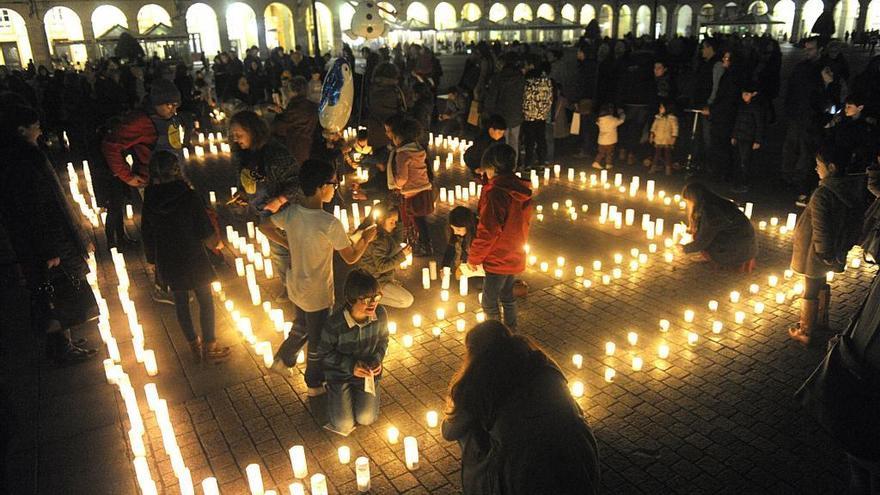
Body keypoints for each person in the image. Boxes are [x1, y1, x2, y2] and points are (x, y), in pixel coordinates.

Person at [442, 321, 600, 494]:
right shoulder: (542, 364)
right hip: (580, 454)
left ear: (475, 352)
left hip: (525, 473)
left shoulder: (478, 382)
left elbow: (450, 431)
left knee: (469, 431)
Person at [268, 159, 378, 395]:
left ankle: (283, 359)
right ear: (320, 186)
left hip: (296, 285)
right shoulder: (329, 223)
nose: (335, 188)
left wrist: (287, 242)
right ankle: (314, 384)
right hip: (317, 292)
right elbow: (350, 258)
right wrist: (367, 240)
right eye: (333, 184)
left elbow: (265, 225)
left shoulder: (292, 213)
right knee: (317, 339)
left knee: (301, 324)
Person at [0, 104, 97, 365]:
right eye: (34, 124)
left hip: (48, 239)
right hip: (48, 241)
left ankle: (65, 341)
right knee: (56, 293)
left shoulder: (23, 156)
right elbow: (34, 209)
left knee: (60, 290)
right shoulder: (23, 161)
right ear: (21, 130)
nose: (39, 127)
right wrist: (49, 250)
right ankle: (60, 348)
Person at [101, 78, 186, 305]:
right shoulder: (140, 121)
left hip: (174, 180)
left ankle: (177, 276)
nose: (173, 108)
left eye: (176, 104)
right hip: (154, 184)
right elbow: (111, 144)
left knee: (176, 231)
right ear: (156, 103)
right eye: (168, 104)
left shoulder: (167, 116)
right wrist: (127, 176)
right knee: (163, 233)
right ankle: (163, 285)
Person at [141, 151, 230, 363]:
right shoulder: (188, 195)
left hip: (167, 257)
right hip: (193, 255)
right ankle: (210, 346)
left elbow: (147, 232)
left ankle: (194, 346)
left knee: (181, 302)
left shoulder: (150, 199)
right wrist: (215, 243)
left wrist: (152, 259)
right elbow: (203, 226)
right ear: (177, 170)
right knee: (205, 299)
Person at [789, 144, 866, 345]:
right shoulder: (849, 189)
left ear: (831, 167)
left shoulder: (823, 193)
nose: (816, 169)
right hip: (832, 248)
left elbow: (821, 226)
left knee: (810, 288)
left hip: (814, 251)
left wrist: (823, 252)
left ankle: (806, 330)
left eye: (818, 165)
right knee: (820, 282)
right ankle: (820, 323)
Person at [229, 110, 300, 301]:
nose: (235, 139)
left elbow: (297, 181)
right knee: (279, 253)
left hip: (286, 212)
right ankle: (289, 288)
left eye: (239, 135)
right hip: (264, 213)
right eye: (233, 135)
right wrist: (243, 193)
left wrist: (279, 200)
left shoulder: (275, 153)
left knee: (294, 251)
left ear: (253, 131)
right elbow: (247, 180)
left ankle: (300, 290)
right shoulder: (243, 155)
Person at [317, 269, 389, 436]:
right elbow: (324, 353)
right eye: (365, 299)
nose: (373, 304)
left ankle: (357, 395)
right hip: (340, 374)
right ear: (350, 299)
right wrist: (350, 367)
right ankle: (336, 393)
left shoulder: (380, 314)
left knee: (366, 418)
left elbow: (383, 340)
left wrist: (377, 359)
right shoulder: (335, 324)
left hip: (367, 374)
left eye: (376, 297)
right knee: (343, 425)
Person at [467, 144, 532, 330]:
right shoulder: (519, 189)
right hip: (514, 253)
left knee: (488, 302)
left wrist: (474, 257)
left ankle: (496, 337)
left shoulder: (496, 194)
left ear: (491, 168)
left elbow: (489, 230)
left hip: (498, 258)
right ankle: (512, 331)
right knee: (507, 297)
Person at [679, 182, 758, 270]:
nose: (688, 204)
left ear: (694, 199)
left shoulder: (711, 211)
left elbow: (704, 239)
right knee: (698, 235)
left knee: (700, 238)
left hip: (737, 250)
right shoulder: (717, 203)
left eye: (688, 201)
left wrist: (685, 248)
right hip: (748, 246)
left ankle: (713, 257)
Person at [387, 115, 435, 257]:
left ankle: (424, 245)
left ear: (400, 138)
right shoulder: (419, 150)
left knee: (417, 220)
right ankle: (421, 244)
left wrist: (396, 183)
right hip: (424, 189)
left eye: (394, 137)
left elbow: (402, 177)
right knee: (420, 220)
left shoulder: (402, 154)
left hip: (413, 193)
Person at [355, 204, 414, 308]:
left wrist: (399, 221)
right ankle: (370, 297)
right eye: (392, 222)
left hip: (380, 277)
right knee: (406, 300)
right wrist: (402, 255)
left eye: (396, 222)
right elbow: (381, 267)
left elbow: (397, 241)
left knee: (398, 247)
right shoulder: (379, 239)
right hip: (373, 280)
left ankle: (378, 291)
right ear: (381, 220)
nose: (394, 225)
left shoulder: (383, 233)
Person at [482, 53, 525, 164]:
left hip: (501, 115)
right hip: (516, 114)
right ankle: (513, 165)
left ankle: (502, 164)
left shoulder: (498, 78)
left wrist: (488, 112)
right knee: (514, 141)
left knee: (502, 141)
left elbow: (492, 97)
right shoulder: (520, 78)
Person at [272, 75, 318, 165]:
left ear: (293, 91)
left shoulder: (293, 109)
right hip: (311, 146)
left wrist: (279, 116)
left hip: (296, 148)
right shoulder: (313, 106)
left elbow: (279, 128)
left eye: (288, 90)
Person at [730, 83, 766, 193]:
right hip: (741, 137)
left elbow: (760, 124)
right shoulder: (743, 106)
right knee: (740, 161)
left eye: (746, 94)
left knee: (745, 162)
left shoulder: (756, 107)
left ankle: (745, 183)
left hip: (748, 138)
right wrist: (734, 135)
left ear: (753, 94)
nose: (744, 96)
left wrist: (757, 140)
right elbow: (737, 121)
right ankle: (739, 182)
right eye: (743, 94)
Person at [521, 56, 553, 170]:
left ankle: (528, 163)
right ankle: (542, 162)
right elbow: (549, 97)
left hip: (529, 114)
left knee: (529, 139)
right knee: (541, 138)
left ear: (531, 65)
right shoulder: (546, 79)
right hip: (542, 114)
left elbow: (525, 96)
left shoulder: (528, 79)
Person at [441, 206, 476, 277]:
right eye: (453, 229)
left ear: (468, 225)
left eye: (458, 229)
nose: (455, 232)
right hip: (466, 268)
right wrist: (445, 267)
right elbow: (450, 248)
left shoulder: (478, 234)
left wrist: (473, 261)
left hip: (478, 269)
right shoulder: (455, 234)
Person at [649, 100, 679, 175]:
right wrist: (651, 135)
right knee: (656, 155)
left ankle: (668, 169)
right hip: (658, 139)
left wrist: (673, 139)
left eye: (662, 107)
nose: (660, 109)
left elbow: (675, 129)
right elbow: (654, 126)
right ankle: (654, 167)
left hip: (667, 140)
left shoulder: (672, 119)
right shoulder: (658, 117)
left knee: (667, 155)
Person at [593, 104, 625, 170]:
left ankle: (596, 162)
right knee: (609, 153)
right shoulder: (612, 120)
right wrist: (622, 113)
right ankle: (608, 164)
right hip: (610, 141)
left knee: (601, 153)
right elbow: (621, 120)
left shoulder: (599, 120)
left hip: (601, 141)